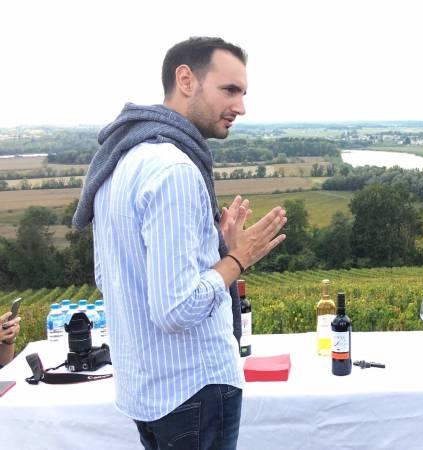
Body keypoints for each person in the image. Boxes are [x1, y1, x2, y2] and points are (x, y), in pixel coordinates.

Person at [72, 37, 287, 450]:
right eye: (230, 90)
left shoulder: (120, 161)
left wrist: (216, 252)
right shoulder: (175, 170)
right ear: (186, 80)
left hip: (146, 390)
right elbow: (176, 308)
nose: (241, 106)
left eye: (243, 93)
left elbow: (110, 276)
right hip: (193, 387)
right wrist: (238, 259)